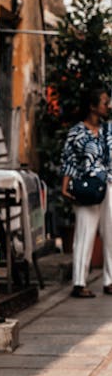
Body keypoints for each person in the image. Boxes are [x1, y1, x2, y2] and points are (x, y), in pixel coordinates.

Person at [61, 88, 112, 298]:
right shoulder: (77, 132)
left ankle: (110, 280)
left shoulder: (109, 130)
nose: (108, 106)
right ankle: (79, 283)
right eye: (104, 102)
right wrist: (65, 186)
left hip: (109, 185)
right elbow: (69, 160)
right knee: (84, 232)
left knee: (111, 233)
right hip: (86, 187)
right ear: (92, 106)